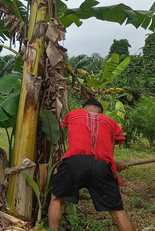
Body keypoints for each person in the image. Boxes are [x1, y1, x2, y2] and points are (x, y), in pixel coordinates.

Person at [48, 99, 134, 231]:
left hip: (74, 161)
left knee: (56, 200)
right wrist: (114, 164)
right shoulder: (110, 122)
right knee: (118, 212)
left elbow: (74, 140)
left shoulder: (73, 114)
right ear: (101, 112)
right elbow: (108, 153)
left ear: (84, 108)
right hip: (101, 164)